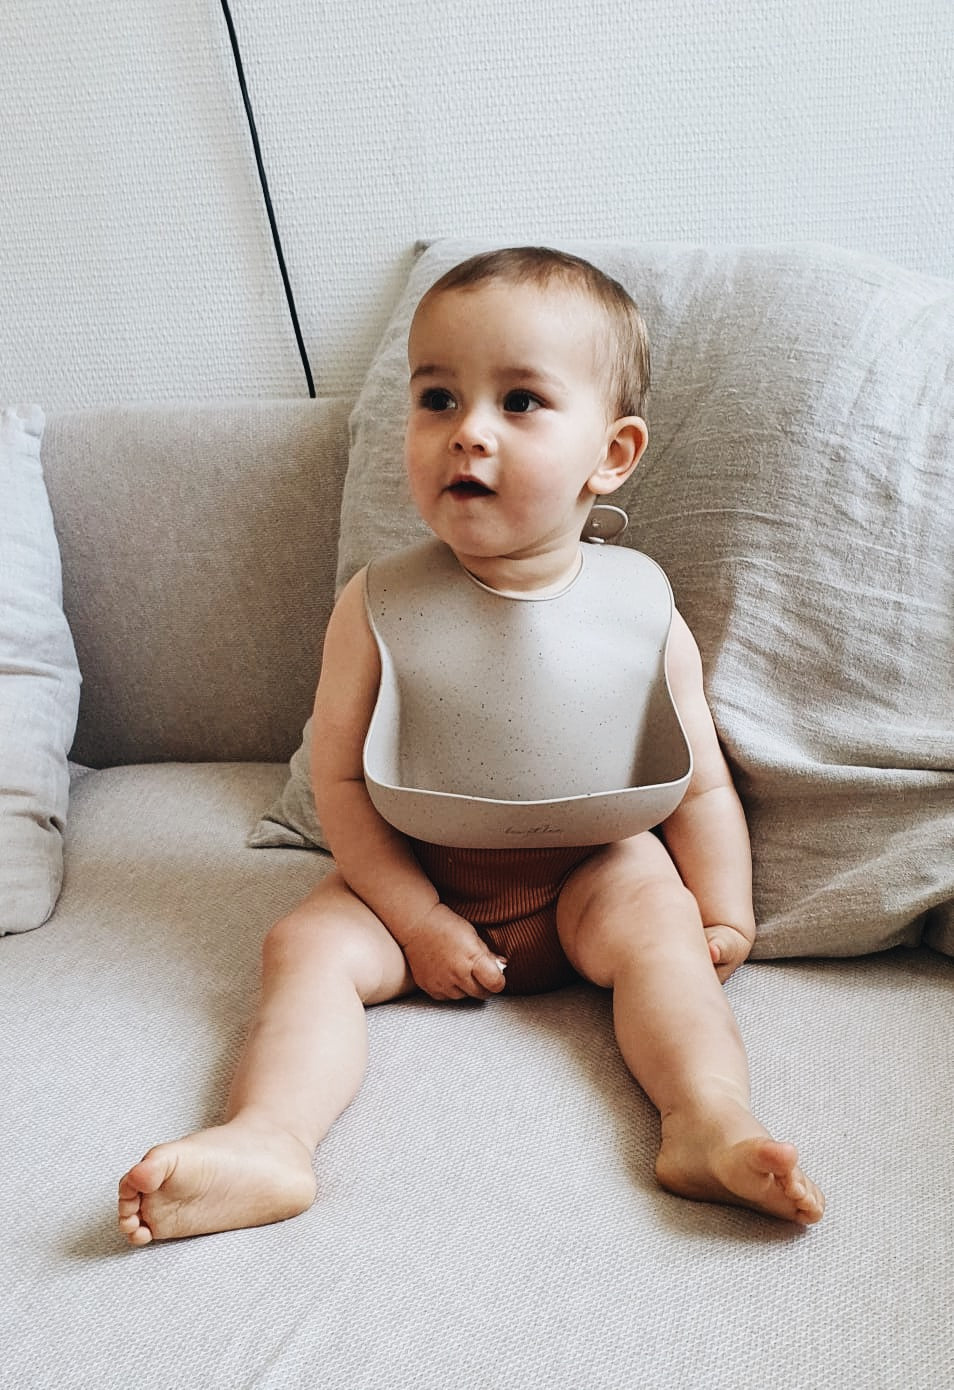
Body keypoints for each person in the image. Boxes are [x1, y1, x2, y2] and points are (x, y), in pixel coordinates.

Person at [118, 248, 824, 1244]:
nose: (468, 432)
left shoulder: (642, 606)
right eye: (438, 398)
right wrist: (416, 921)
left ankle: (705, 1118)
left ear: (613, 453)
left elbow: (699, 784)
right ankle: (268, 1138)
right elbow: (340, 781)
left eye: (520, 401)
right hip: (420, 873)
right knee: (304, 946)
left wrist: (723, 913)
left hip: (593, 874)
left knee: (662, 931)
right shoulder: (376, 605)